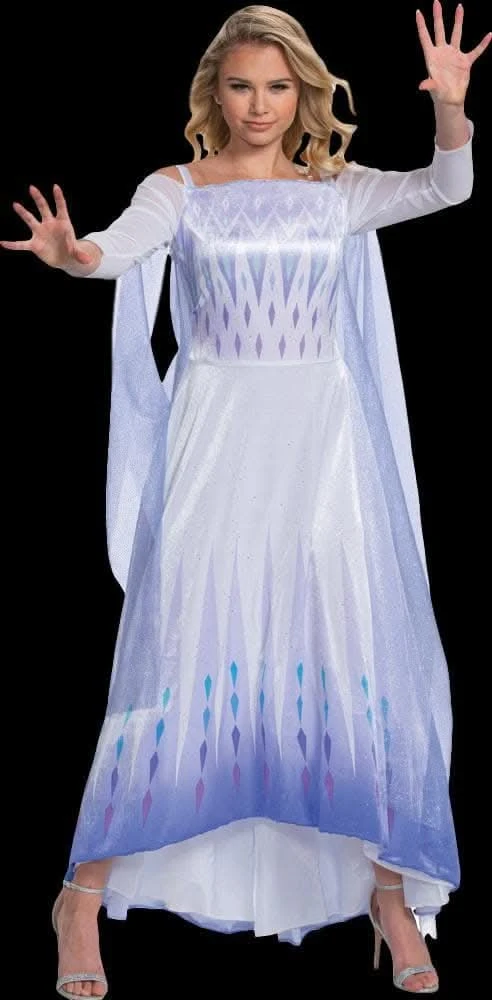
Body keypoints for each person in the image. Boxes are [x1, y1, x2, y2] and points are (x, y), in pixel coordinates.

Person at [2, 2, 490, 995]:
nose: (259, 105)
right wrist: (70, 254)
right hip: (215, 447)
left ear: (302, 93)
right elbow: (112, 251)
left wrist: (450, 108)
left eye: (277, 87)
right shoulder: (177, 191)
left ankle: (389, 896)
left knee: (346, 651)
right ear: (213, 95)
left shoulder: (336, 193)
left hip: (321, 456)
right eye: (240, 87)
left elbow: (449, 186)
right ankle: (82, 896)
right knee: (175, 652)